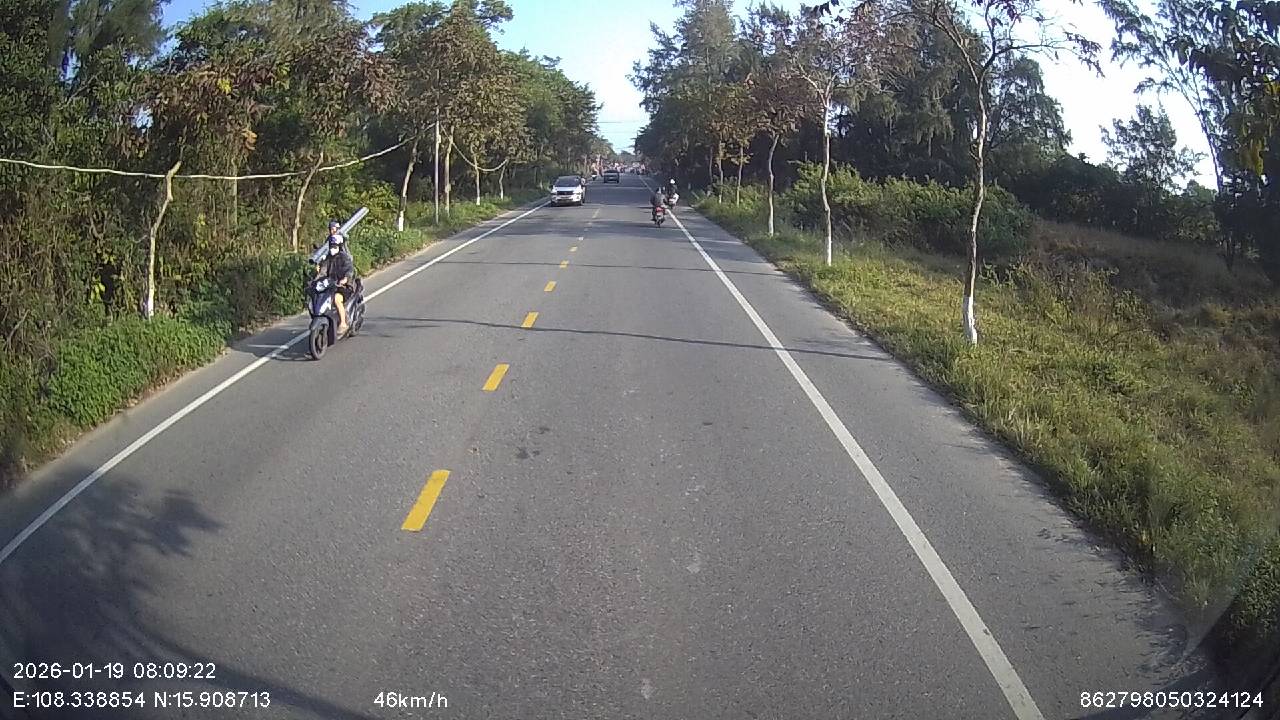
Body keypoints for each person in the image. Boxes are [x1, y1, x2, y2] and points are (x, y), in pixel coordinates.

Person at [316, 221, 355, 335]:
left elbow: (349, 269)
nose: (332, 248)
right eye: (331, 246)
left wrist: (345, 279)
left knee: (337, 299)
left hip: (343, 286)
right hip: (331, 285)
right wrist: (316, 279)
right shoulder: (328, 258)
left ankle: (343, 323)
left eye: (335, 246)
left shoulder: (344, 257)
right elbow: (323, 271)